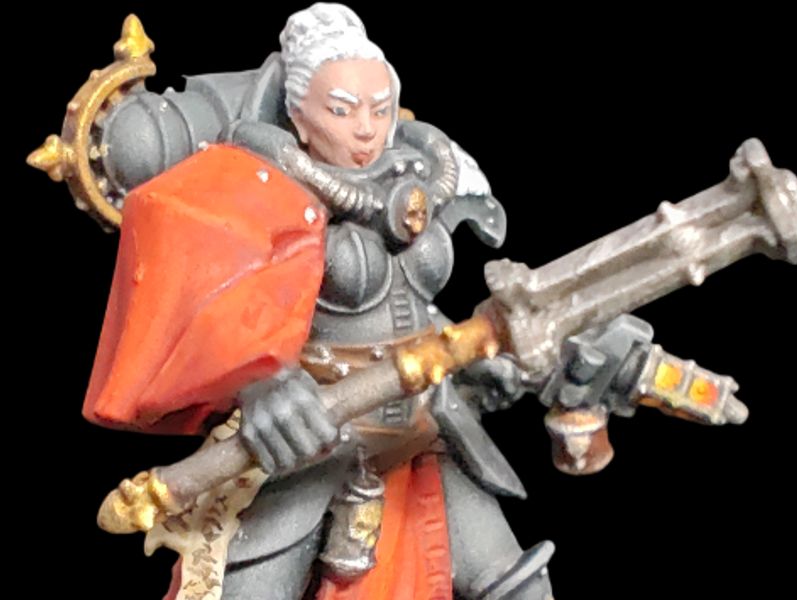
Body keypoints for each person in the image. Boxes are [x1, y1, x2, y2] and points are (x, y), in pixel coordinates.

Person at [73, 4, 556, 599]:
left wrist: (481, 350)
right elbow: (213, 309)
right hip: (309, 439)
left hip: (419, 428)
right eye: (342, 109)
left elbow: (412, 305)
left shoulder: (415, 173)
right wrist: (261, 385)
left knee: (517, 586)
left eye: (379, 107)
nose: (366, 129)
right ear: (299, 114)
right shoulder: (258, 185)